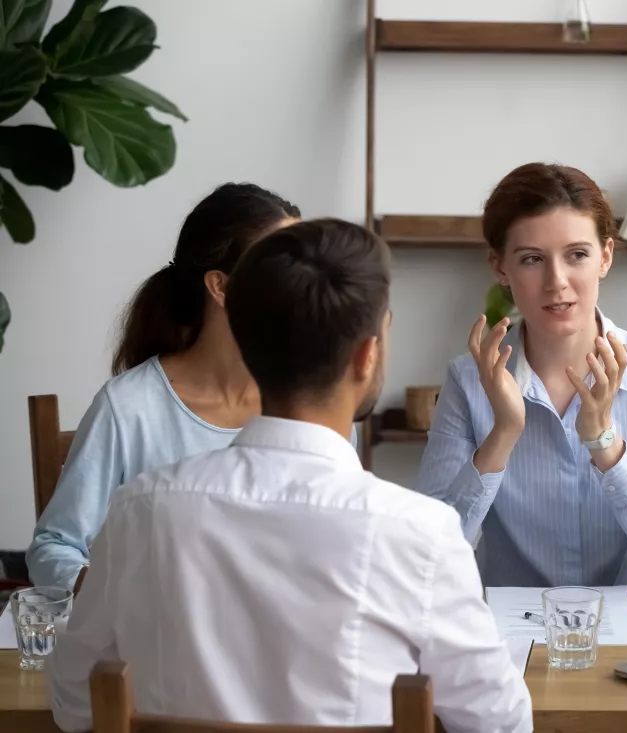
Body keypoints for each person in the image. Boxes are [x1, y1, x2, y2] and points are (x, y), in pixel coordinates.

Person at [47, 219, 533, 733]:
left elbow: (75, 704)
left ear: (248, 346)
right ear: (367, 356)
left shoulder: (139, 510)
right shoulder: (421, 535)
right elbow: (499, 725)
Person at [416, 162, 627, 588]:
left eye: (577, 255)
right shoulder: (468, 381)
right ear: (500, 268)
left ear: (605, 257)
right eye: (532, 259)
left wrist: (606, 446)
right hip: (514, 641)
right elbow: (427, 558)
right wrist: (504, 434)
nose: (557, 282)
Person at [25, 183, 317, 592]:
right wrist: (115, 594)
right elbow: (55, 547)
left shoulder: (315, 403)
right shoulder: (128, 409)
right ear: (221, 286)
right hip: (156, 647)